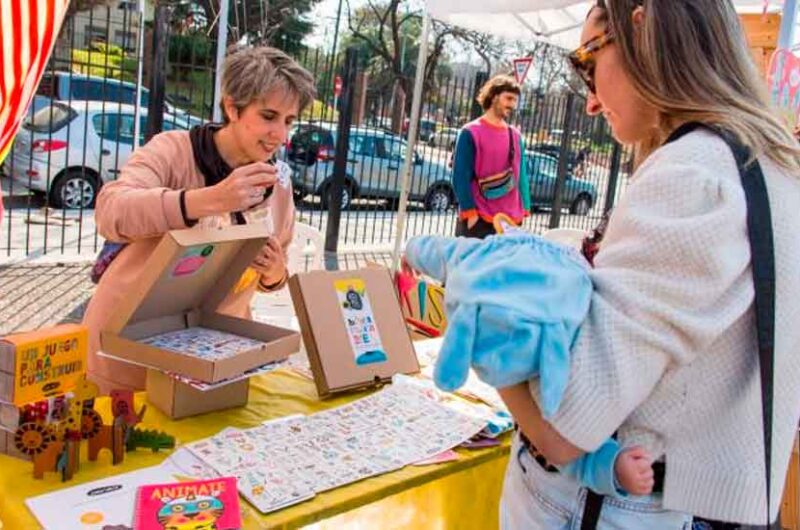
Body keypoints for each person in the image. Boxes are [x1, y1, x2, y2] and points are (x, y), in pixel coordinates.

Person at [489, 1, 800, 528]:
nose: (589, 100)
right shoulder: (771, 165)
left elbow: (566, 424)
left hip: (616, 506)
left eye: (586, 61)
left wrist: (489, 317)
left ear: (642, 29)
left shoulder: (693, 174)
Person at [82, 46, 316, 393]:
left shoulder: (277, 184)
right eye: (268, 116)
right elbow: (111, 210)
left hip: (214, 365)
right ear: (232, 107)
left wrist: (274, 269)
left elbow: (275, 276)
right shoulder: (173, 151)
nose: (280, 135)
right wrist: (208, 200)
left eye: (289, 121)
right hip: (128, 353)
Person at [403, 232, 656, 499]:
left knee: (565, 422)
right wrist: (413, 250)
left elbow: (559, 442)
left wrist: (611, 466)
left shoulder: (587, 328)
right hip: (536, 475)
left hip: (561, 471)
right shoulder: (573, 292)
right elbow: (437, 251)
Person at [452, 75, 530, 238]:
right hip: (479, 218)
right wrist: (470, 213)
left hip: (511, 221)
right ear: (494, 96)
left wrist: (525, 209)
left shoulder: (515, 135)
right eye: (508, 98)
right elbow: (460, 176)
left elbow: (521, 173)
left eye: (515, 100)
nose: (512, 105)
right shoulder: (470, 132)